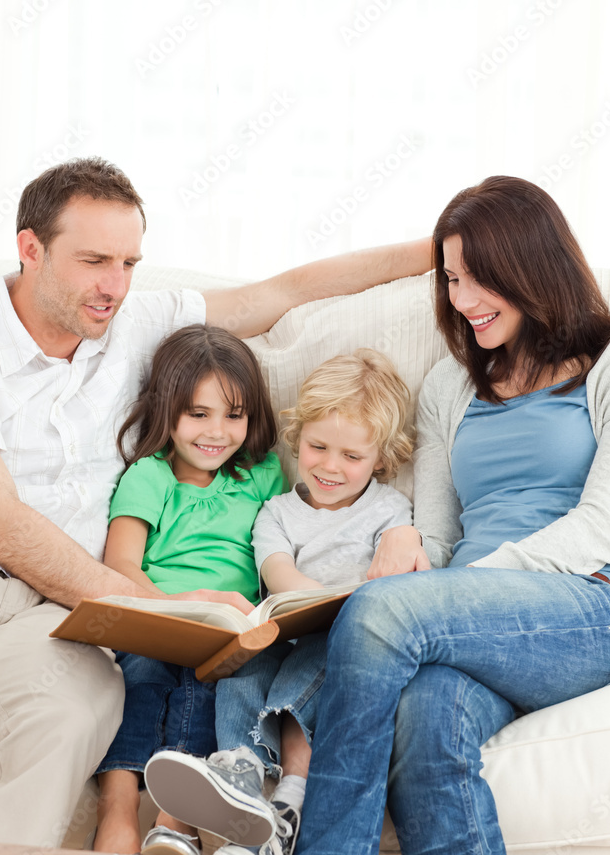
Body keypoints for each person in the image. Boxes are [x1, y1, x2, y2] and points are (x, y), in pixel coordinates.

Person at [0, 156, 431, 846]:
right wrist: (155, 605)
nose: (114, 285)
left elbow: (282, 292)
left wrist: (442, 247)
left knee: (72, 714)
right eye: (94, 261)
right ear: (30, 249)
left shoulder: (136, 316)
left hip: (59, 611)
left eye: (128, 262)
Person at [288, 175, 610, 855]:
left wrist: (454, 591)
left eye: (479, 278)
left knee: (382, 612)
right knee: (427, 713)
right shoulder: (448, 384)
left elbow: (604, 526)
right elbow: (440, 538)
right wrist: (408, 537)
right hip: (467, 617)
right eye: (450, 279)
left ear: (532, 266)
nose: (461, 300)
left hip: (592, 604)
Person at [143, 349, 415, 855]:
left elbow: (398, 576)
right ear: (298, 437)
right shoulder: (276, 512)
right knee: (240, 674)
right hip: (282, 626)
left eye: (352, 457)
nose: (331, 467)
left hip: (345, 637)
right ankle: (240, 779)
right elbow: (279, 575)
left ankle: (289, 796)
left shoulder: (391, 509)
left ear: (383, 457)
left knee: (300, 677)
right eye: (318, 447)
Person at [94, 323, 287, 855]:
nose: (217, 432)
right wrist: (183, 607)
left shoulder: (262, 476)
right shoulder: (149, 477)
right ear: (166, 409)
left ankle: (175, 821)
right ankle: (118, 800)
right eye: (198, 414)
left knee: (212, 690)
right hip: (155, 623)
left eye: (234, 415)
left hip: (227, 635)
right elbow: (120, 568)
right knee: (143, 677)